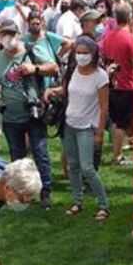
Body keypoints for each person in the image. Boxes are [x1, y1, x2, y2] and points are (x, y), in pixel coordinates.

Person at [0, 20, 55, 209]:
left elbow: (53, 67)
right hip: (10, 117)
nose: (7, 38)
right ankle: (21, 192)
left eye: (11, 33)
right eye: (3, 34)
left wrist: (34, 69)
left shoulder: (31, 51)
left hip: (32, 115)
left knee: (40, 153)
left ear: (18, 35)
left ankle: (45, 192)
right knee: (17, 157)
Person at [47, 36, 109, 220]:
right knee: (73, 165)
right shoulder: (72, 70)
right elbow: (66, 90)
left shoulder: (101, 76)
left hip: (87, 127)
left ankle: (103, 205)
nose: (81, 56)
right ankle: (77, 201)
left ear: (93, 54)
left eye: (85, 53)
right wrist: (52, 91)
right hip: (69, 124)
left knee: (87, 168)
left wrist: (99, 132)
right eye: (78, 52)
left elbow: (104, 106)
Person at [100, 1, 133, 166]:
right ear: (129, 17)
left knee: (118, 120)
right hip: (127, 85)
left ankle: (128, 145)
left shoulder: (107, 37)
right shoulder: (129, 38)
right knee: (120, 123)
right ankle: (118, 156)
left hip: (113, 83)